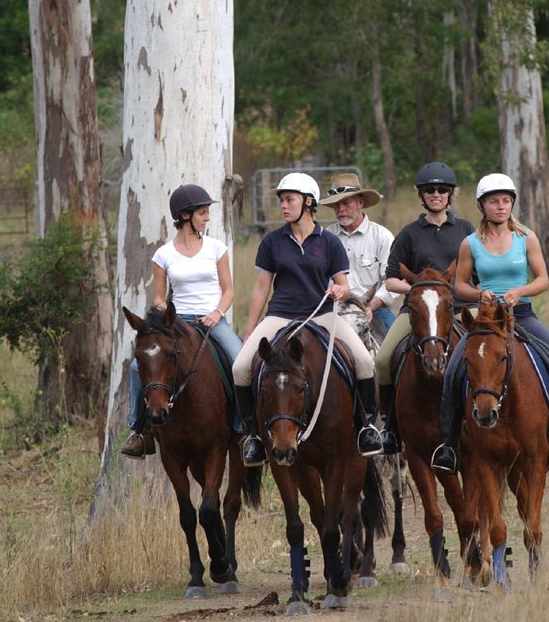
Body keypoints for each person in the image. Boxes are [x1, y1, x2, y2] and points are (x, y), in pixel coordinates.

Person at [430, 173, 549, 473]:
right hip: (486, 320)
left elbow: (543, 279)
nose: (501, 206)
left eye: (506, 201)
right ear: (482, 206)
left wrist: (521, 291)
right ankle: (449, 445)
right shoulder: (470, 243)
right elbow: (459, 286)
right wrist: (481, 293)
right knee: (453, 370)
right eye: (494, 202)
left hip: (522, 315)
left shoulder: (526, 237)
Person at [231, 172, 385, 466]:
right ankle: (253, 437)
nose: (284, 206)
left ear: (309, 202)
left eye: (289, 200)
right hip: (280, 314)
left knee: (365, 362)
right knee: (240, 368)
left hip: (323, 314)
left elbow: (344, 284)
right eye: (282, 201)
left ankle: (366, 428)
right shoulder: (272, 242)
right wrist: (250, 330)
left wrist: (340, 289)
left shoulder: (329, 243)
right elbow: (262, 287)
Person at [122, 183, 243, 459]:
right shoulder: (163, 254)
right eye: (202, 212)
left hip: (212, 321)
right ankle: (139, 431)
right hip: (177, 323)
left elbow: (229, 291)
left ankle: (243, 427)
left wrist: (217, 313)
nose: (207, 217)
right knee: (133, 368)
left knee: (239, 362)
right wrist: (166, 317)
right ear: (186, 215)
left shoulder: (216, 248)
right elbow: (159, 298)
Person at [374, 161, 475, 452]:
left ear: (450, 194)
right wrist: (423, 292)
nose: (436, 194)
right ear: (421, 195)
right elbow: (391, 280)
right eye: (429, 190)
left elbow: (475, 273)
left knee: (490, 352)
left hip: (461, 307)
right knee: (382, 361)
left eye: (442, 190)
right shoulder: (408, 234)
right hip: (417, 311)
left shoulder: (466, 229)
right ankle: (391, 428)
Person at [319, 172, 397, 333]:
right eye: (336, 205)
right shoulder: (326, 237)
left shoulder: (382, 236)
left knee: (396, 350)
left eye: (346, 203)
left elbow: (391, 282)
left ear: (360, 202)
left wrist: (371, 305)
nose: (341, 209)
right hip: (334, 310)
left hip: (375, 310)